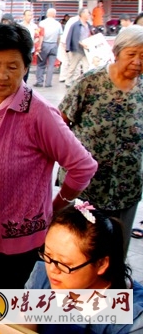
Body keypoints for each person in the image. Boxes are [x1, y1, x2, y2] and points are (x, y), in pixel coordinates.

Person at [0, 23, 98, 292]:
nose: (2, 75)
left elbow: (83, 166)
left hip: (20, 244)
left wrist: (57, 205)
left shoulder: (39, 113)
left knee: (9, 315)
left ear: (27, 67)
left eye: (12, 67)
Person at [59, 25, 143, 254]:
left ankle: (112, 287)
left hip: (126, 185)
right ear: (117, 53)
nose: (137, 61)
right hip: (87, 186)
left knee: (116, 250)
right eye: (132, 54)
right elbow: (60, 123)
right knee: (81, 247)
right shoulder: (90, 82)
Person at [25, 203, 143, 333]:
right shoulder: (41, 277)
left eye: (65, 264)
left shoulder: (132, 320)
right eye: (47, 255)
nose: (52, 269)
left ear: (101, 264)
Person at [36, 8, 62, 88]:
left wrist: (39, 46)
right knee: (51, 65)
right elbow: (59, 36)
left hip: (44, 44)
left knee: (41, 64)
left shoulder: (42, 23)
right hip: (54, 44)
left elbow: (40, 35)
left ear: (47, 14)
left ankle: (39, 82)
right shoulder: (58, 24)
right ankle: (48, 83)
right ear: (54, 15)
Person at [65, 8, 91, 88]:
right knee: (73, 66)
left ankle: (86, 81)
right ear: (82, 14)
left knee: (87, 66)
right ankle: (68, 81)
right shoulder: (75, 25)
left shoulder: (88, 25)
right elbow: (73, 37)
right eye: (87, 13)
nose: (89, 15)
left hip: (86, 50)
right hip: (77, 49)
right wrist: (81, 44)